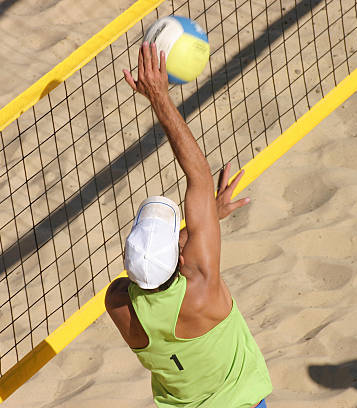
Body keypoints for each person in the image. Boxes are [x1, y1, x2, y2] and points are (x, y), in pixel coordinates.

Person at [105, 42, 273, 408]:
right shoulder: (201, 289)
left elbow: (138, 279)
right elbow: (198, 175)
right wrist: (160, 99)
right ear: (181, 258)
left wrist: (205, 221)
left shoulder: (118, 305)